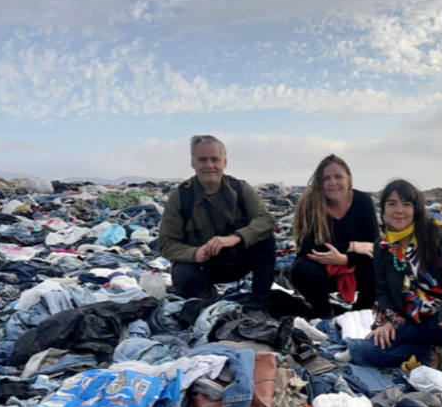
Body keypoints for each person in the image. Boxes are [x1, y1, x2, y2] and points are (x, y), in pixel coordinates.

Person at [348, 179, 442, 378]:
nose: (399, 210)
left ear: (416, 209)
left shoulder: (435, 235)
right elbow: (383, 290)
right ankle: (431, 355)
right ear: (383, 210)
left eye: (406, 204)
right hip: (412, 322)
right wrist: (388, 320)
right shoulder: (382, 246)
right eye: (392, 204)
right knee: (367, 350)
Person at [158, 135, 276, 313]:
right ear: (193, 163)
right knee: (183, 275)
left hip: (237, 258)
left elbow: (266, 220)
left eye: (215, 159)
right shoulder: (181, 197)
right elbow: (166, 243)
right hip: (204, 265)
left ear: (224, 162)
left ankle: (260, 301)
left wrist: (235, 238)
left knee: (266, 239)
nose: (209, 165)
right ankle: (206, 300)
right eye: (202, 159)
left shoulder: (240, 189)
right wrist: (195, 253)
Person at [290, 155, 379, 318]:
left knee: (380, 264)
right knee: (301, 269)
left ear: (349, 179)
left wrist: (345, 259)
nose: (333, 183)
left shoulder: (362, 201)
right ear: (319, 183)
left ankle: (359, 313)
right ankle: (324, 311)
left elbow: (373, 245)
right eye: (326, 178)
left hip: (357, 267)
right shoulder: (310, 204)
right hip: (323, 271)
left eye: (338, 177)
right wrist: (351, 246)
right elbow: (307, 247)